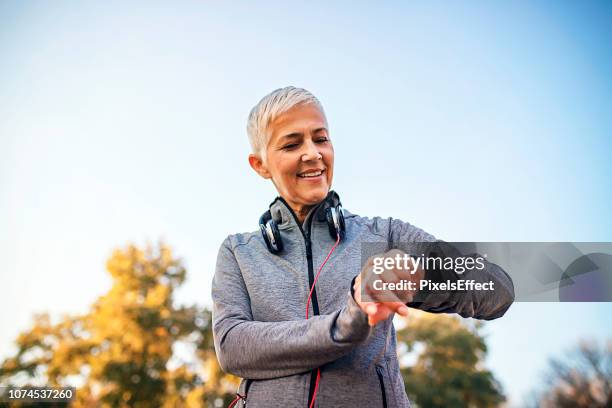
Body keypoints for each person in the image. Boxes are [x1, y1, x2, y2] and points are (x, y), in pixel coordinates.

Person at [212, 86, 515, 408]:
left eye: (321, 139)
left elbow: (498, 290)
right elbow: (232, 346)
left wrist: (417, 272)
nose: (313, 153)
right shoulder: (238, 252)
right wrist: (348, 321)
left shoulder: (382, 235)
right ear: (260, 165)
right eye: (291, 144)